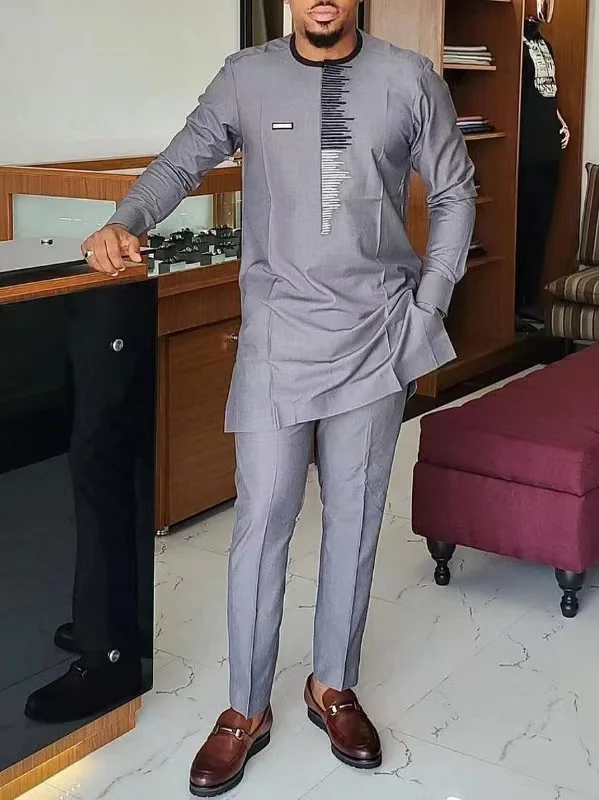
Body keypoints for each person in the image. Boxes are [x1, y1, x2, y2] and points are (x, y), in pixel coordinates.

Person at [82, 0, 475, 795]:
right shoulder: (246, 77)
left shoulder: (408, 79)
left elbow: (455, 190)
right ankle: (245, 708)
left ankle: (332, 685)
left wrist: (428, 306)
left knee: (355, 516)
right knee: (260, 520)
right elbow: (181, 162)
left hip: (376, 333)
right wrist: (125, 219)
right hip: (276, 336)